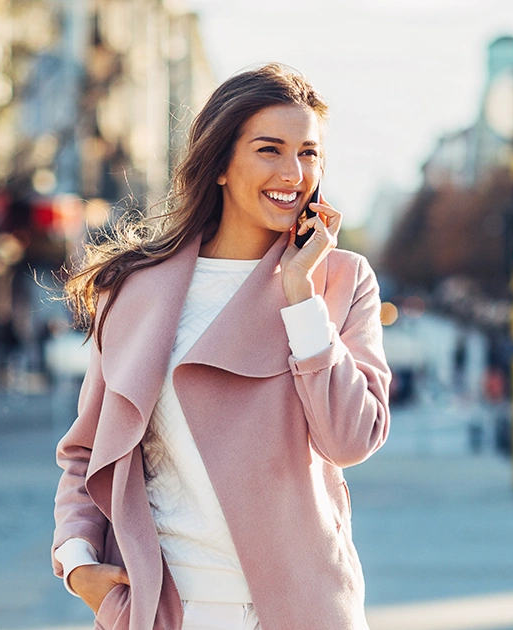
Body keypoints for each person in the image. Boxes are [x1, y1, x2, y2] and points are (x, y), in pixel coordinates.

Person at [52, 64, 392, 630]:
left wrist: (299, 295)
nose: (294, 172)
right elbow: (87, 453)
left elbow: (351, 440)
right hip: (164, 611)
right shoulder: (136, 289)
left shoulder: (341, 280)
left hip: (299, 613)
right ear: (220, 166)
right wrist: (76, 562)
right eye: (269, 149)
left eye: (309, 153)